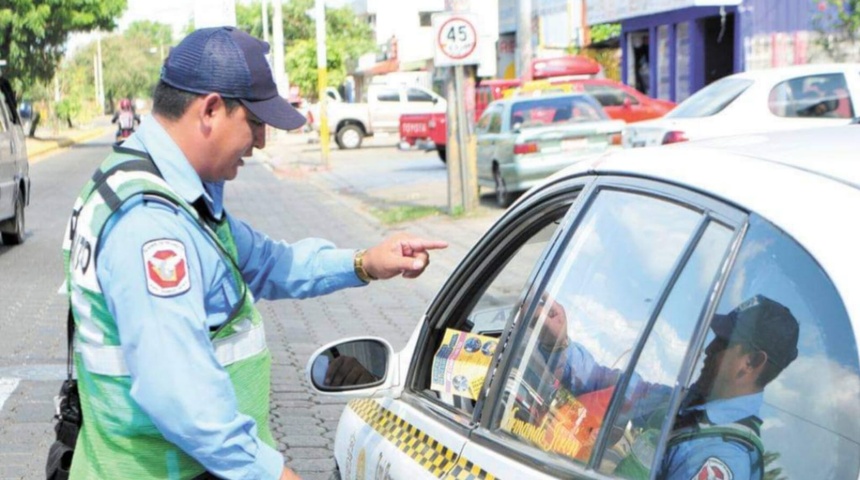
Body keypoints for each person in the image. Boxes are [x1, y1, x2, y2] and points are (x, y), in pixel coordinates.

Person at [62, 26, 447, 480]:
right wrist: (273, 474)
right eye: (256, 122)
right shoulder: (151, 226)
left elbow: (268, 262)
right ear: (210, 109)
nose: (261, 141)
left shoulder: (159, 190)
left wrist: (365, 262)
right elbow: (181, 397)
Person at [526, 294, 799, 480]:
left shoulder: (721, 457)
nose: (708, 349)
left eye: (724, 343)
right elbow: (608, 386)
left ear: (750, 362)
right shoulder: (682, 405)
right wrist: (558, 343)